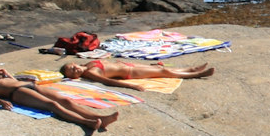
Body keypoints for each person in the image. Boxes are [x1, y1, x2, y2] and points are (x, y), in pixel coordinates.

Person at [0, 54, 119, 133]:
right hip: (18, 92)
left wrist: (7, 74)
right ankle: (87, 122)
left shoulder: (0, 76)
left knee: (66, 101)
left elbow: (14, 80)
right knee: (52, 105)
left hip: (29, 86)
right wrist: (0, 102)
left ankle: (99, 118)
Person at [60, 58, 214, 86]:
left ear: (74, 63)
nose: (75, 70)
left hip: (129, 65)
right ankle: (196, 74)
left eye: (72, 67)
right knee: (164, 72)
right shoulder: (90, 72)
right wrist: (132, 87)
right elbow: (109, 81)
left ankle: (190, 69)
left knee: (161, 68)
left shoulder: (89, 63)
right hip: (130, 74)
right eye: (73, 73)